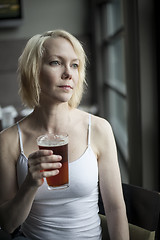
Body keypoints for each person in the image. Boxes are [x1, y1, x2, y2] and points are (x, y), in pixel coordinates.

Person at [0, 29, 129, 240]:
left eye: (75, 65)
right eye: (56, 62)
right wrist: (30, 185)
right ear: (33, 71)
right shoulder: (8, 141)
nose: (69, 73)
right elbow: (8, 224)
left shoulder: (98, 129)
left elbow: (115, 209)